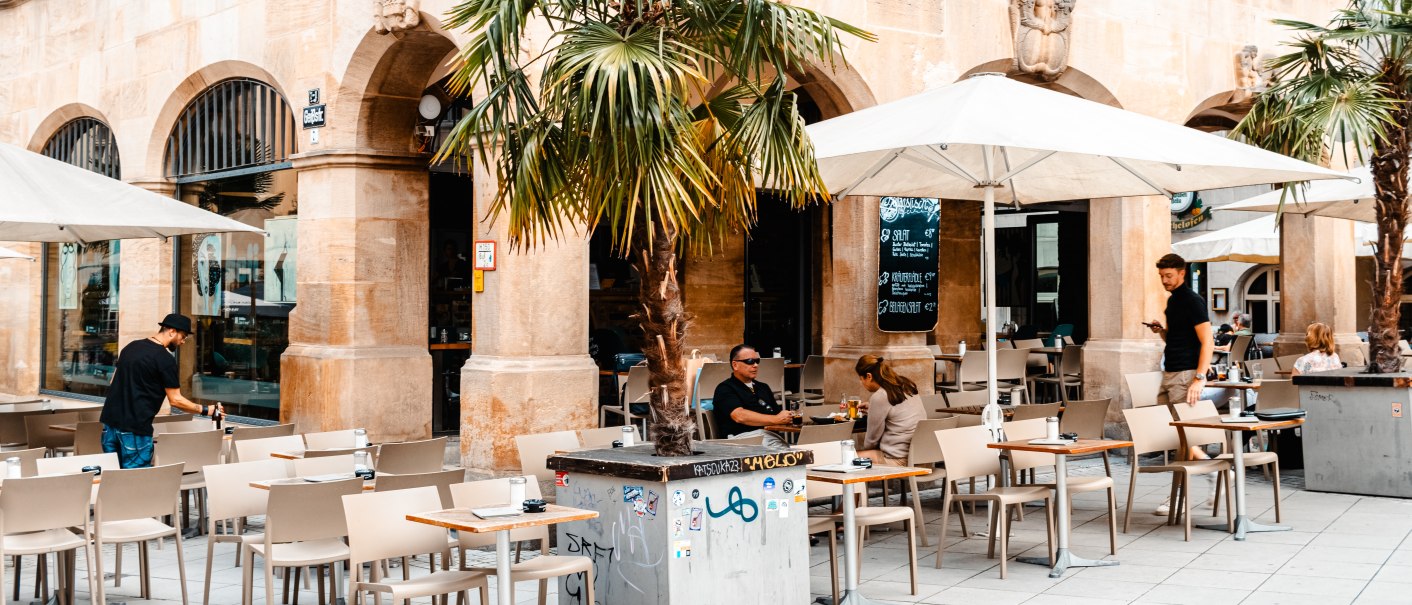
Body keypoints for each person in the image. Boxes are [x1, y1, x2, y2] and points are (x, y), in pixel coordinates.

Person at [101, 314, 224, 468]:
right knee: (135, 482)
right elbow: (175, 400)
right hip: (135, 429)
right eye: (183, 336)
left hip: (109, 425)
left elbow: (113, 381)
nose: (183, 341)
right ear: (172, 331)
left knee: (113, 478)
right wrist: (206, 410)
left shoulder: (131, 347)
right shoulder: (165, 360)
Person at [1146, 253, 1214, 514]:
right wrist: (1161, 331)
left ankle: (1179, 496)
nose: (1165, 281)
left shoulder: (1193, 301)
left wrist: (1199, 378)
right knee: (1173, 433)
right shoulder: (1173, 301)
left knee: (1182, 435)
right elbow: (1176, 340)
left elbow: (1206, 342)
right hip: (1170, 373)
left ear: (1182, 273)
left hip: (1186, 375)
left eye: (1169, 276)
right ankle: (1214, 472)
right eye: (1162, 276)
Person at [711, 344, 790, 448]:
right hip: (740, 442)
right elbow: (739, 416)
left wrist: (788, 418)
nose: (755, 365)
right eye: (749, 361)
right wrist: (776, 419)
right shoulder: (725, 388)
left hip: (768, 439)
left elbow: (777, 415)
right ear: (735, 365)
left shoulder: (763, 387)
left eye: (757, 361)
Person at [853, 355, 925, 466]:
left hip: (900, 461)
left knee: (847, 457)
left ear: (869, 376)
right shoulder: (906, 385)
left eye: (861, 379)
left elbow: (871, 442)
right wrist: (873, 409)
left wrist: (875, 410)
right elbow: (898, 410)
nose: (862, 383)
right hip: (922, 458)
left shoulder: (880, 396)